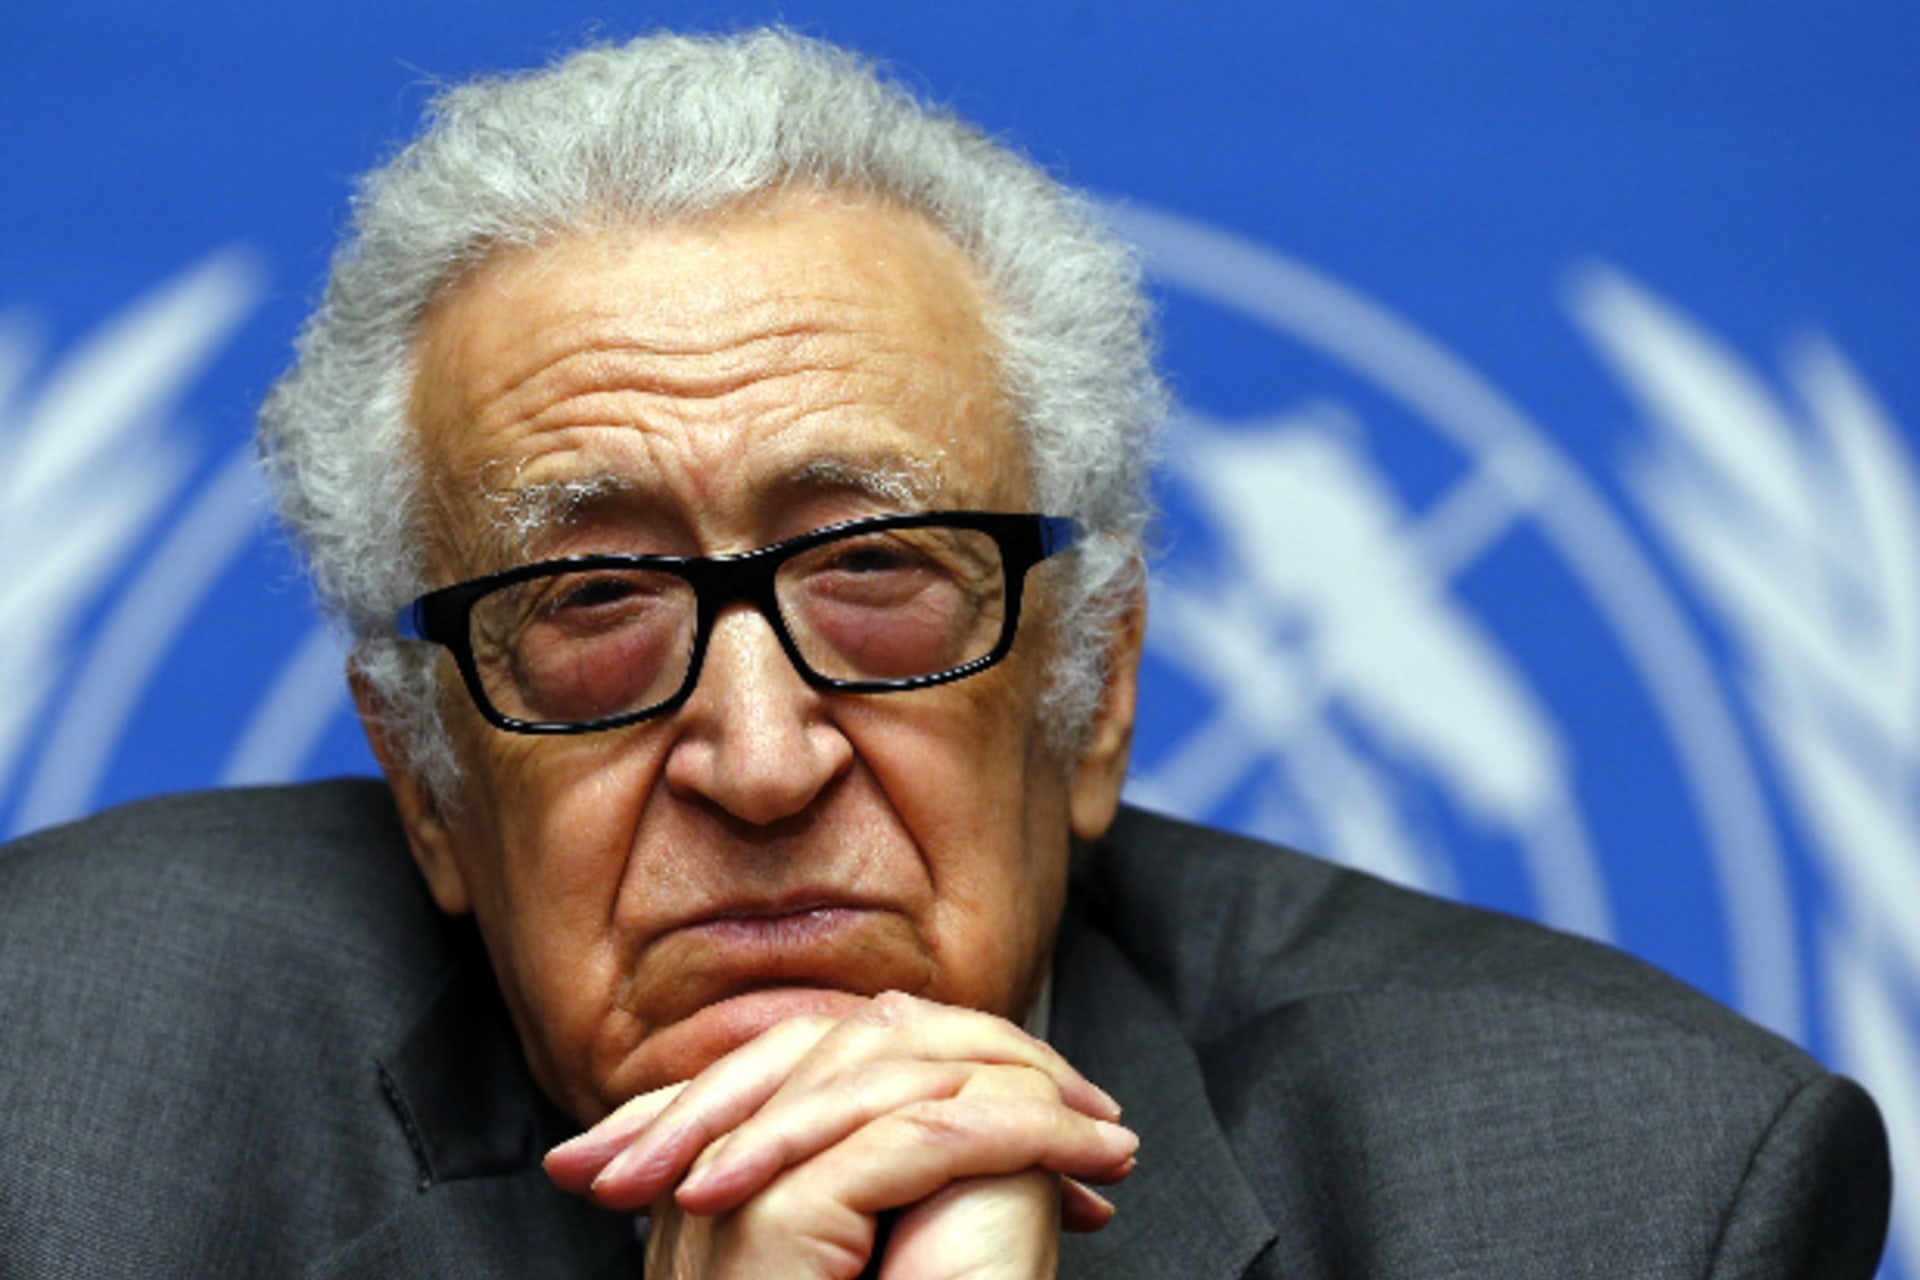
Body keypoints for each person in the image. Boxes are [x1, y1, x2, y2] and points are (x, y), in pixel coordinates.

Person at [0, 28, 1891, 1279]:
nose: (759, 760)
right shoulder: (57, 1120)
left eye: (881, 578)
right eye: (589, 605)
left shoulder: (1621, 1205)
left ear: (1093, 693)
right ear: (424, 783)